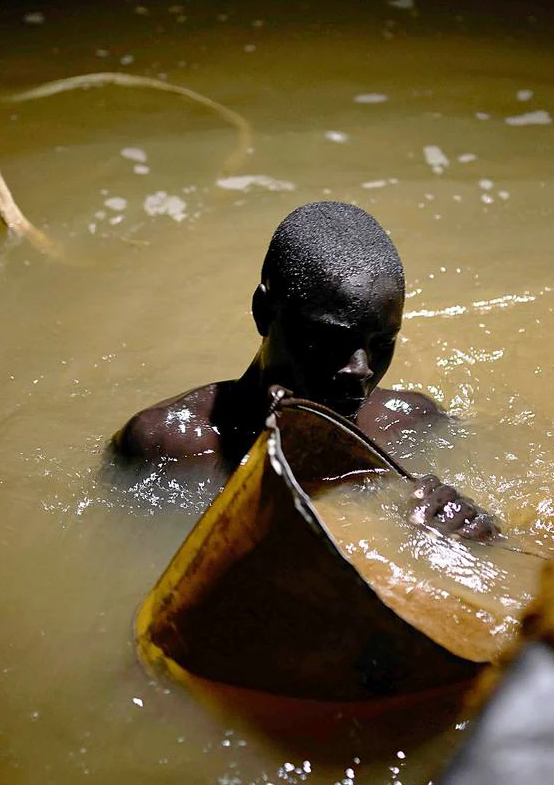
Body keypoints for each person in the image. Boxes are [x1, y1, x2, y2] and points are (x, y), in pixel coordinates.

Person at [110, 201, 498, 541]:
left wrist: (466, 532)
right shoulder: (169, 446)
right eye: (331, 341)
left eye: (382, 345)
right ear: (263, 313)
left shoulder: (409, 423)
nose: (360, 371)